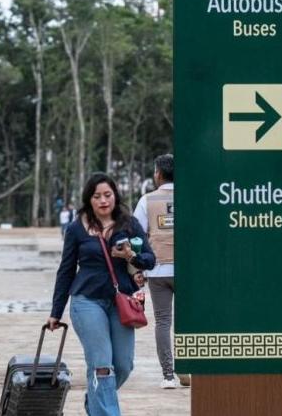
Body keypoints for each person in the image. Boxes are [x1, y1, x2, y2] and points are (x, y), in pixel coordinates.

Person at [48, 172, 155, 416]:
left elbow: (150, 260)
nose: (103, 201)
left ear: (115, 196)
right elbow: (65, 270)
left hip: (122, 302)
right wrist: (56, 311)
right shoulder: (77, 229)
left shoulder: (129, 224)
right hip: (87, 301)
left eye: (108, 195)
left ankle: (95, 400)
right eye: (97, 196)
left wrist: (129, 255)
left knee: (124, 365)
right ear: (89, 199)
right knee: (102, 365)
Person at [132, 153, 187, 389]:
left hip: (157, 271)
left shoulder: (147, 201)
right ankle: (186, 370)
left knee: (163, 321)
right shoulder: (191, 196)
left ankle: (168, 375)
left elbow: (135, 236)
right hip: (188, 271)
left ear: (158, 174)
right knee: (188, 322)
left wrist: (138, 267)